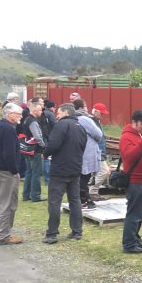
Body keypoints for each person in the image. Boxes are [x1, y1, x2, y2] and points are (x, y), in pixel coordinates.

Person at [42, 103, 86, 244]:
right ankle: (77, 231)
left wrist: (45, 153)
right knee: (75, 200)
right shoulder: (81, 127)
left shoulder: (61, 125)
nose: (57, 116)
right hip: (75, 168)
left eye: (59, 113)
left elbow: (53, 144)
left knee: (55, 201)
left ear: (66, 112)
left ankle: (52, 233)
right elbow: (83, 146)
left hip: (60, 169)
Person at [0, 103, 24, 244]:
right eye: (18, 114)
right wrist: (14, 170)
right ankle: (3, 235)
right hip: (4, 170)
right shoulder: (8, 129)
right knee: (7, 204)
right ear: (10, 114)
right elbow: (8, 153)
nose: (20, 116)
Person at [120, 110, 142, 254]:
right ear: (134, 123)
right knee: (134, 213)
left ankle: (135, 238)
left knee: (141, 213)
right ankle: (129, 244)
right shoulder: (127, 137)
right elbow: (128, 156)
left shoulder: (140, 135)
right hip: (136, 180)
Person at [73, 99, 103, 210]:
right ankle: (84, 200)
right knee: (85, 176)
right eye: (85, 106)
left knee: (80, 176)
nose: (87, 108)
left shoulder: (71, 118)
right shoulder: (85, 119)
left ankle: (82, 198)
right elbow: (98, 134)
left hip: (76, 151)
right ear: (81, 108)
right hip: (87, 151)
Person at [20, 100, 47, 203]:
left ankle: (26, 195)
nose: (41, 112)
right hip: (35, 150)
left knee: (29, 172)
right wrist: (44, 146)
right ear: (35, 111)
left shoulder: (26, 119)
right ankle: (35, 195)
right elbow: (37, 137)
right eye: (40, 110)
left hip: (27, 149)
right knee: (36, 173)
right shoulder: (33, 122)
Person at [89, 103, 111, 200]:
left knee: (95, 173)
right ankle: (92, 191)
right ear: (96, 112)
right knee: (104, 171)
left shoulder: (96, 121)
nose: (103, 115)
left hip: (98, 152)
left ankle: (91, 191)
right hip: (97, 152)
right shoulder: (92, 122)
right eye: (101, 113)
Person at [41, 100, 57, 184]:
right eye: (54, 107)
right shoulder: (50, 114)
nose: (55, 109)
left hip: (42, 136)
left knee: (43, 158)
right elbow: (55, 126)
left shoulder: (42, 113)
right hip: (48, 136)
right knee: (47, 158)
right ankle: (48, 179)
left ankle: (44, 177)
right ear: (51, 107)